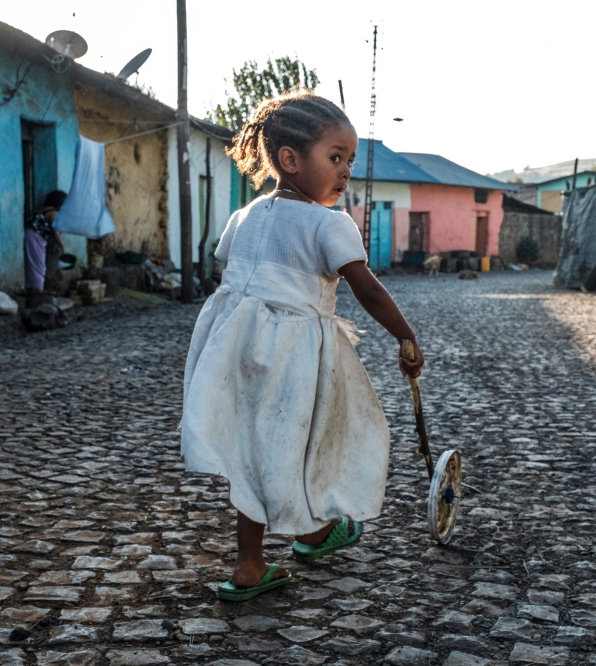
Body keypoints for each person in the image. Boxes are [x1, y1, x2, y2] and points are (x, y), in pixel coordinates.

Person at [181, 91, 424, 601]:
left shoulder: (245, 215)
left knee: (252, 449)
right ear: (290, 160)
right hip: (293, 354)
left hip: (234, 345)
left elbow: (231, 270)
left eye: (350, 161)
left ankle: (252, 563)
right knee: (304, 440)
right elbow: (368, 290)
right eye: (335, 158)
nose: (345, 172)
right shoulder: (327, 223)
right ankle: (313, 531)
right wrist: (405, 335)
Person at [24, 190, 67, 293]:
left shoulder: (43, 209)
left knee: (33, 262)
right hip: (36, 237)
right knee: (39, 265)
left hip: (31, 235)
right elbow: (55, 231)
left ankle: (32, 287)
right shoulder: (53, 213)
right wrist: (62, 246)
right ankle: (38, 289)